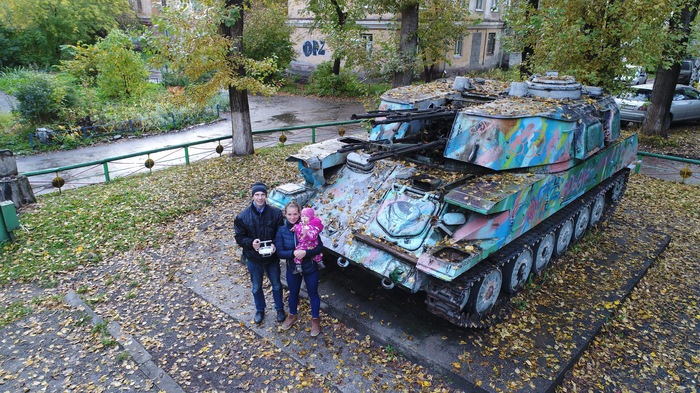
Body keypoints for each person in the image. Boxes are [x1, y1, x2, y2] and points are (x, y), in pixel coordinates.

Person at [234, 182, 286, 325]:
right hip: (254, 258)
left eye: (263, 194)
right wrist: (251, 243)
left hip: (272, 257)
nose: (260, 197)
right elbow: (239, 237)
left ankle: (279, 308)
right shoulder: (242, 217)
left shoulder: (275, 213)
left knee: (276, 284)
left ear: (266, 196)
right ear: (252, 197)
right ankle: (260, 309)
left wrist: (276, 244)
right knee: (256, 286)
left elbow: (281, 232)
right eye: (257, 194)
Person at [274, 201, 324, 337]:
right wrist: (293, 253)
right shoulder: (282, 231)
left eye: (295, 214)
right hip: (293, 268)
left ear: (300, 213)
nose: (292, 217)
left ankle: (315, 319)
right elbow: (279, 252)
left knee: (313, 293)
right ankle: (292, 315)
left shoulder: (309, 227)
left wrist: (306, 253)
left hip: (310, 267)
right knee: (293, 292)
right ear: (285, 215)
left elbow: (320, 247)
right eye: (289, 214)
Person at [291, 207, 326, 273]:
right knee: (301, 253)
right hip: (305, 243)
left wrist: (306, 232)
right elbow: (299, 227)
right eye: (302, 216)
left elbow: (313, 236)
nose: (304, 218)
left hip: (310, 243)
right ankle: (299, 266)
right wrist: (295, 227)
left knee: (300, 251)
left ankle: (319, 263)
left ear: (311, 218)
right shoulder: (302, 224)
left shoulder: (313, 226)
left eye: (306, 216)